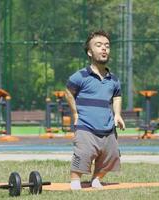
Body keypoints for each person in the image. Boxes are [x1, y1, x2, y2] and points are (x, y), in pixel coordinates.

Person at [65, 30, 125, 190]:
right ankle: (75, 181)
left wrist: (117, 114)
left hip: (107, 128)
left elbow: (117, 96)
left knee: (111, 155)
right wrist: (75, 113)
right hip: (86, 126)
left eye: (107, 46)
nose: (104, 48)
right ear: (90, 52)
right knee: (83, 154)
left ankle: (97, 179)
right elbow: (68, 92)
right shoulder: (80, 76)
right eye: (99, 45)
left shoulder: (114, 79)